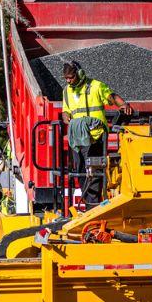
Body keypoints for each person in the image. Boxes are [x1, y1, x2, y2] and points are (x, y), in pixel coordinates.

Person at [61, 60, 133, 206]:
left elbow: (111, 96)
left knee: (94, 173)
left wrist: (123, 104)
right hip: (78, 139)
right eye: (66, 78)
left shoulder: (96, 86)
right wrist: (66, 117)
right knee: (81, 173)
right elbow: (65, 110)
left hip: (96, 136)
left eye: (71, 77)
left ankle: (92, 206)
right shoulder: (67, 91)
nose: (69, 81)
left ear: (80, 74)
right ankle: (89, 203)